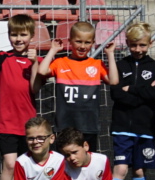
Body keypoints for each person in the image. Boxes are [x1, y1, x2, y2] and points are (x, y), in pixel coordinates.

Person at [0, 14, 46, 180]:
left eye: (23, 34)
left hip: (28, 124)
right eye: (14, 34)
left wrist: (33, 64)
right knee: (10, 164)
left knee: (26, 166)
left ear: (31, 36)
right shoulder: (2, 56)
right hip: (5, 121)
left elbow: (34, 88)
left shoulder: (38, 61)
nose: (19, 39)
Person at [110, 21, 155, 180]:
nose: (138, 49)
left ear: (150, 43)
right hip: (122, 127)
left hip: (145, 128)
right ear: (127, 44)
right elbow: (116, 94)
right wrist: (142, 91)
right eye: (133, 45)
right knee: (121, 169)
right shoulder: (122, 65)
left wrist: (130, 90)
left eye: (142, 45)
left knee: (139, 170)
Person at [38, 20, 120, 150]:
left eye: (87, 42)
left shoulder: (96, 64)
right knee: (65, 162)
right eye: (78, 41)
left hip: (88, 124)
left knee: (86, 162)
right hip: (65, 124)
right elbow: (41, 71)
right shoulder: (60, 62)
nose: (82, 46)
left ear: (93, 43)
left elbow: (114, 81)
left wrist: (110, 54)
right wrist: (53, 50)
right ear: (70, 41)